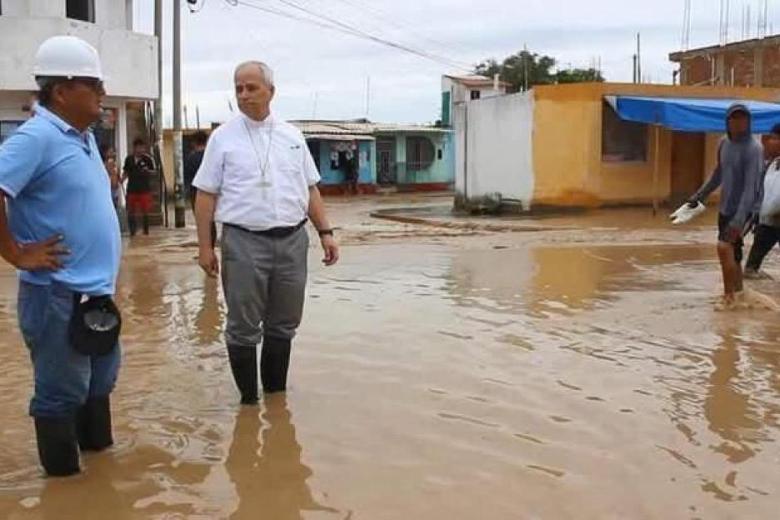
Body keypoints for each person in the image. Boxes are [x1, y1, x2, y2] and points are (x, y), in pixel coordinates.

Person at [0, 36, 122, 476]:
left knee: (99, 384)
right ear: (62, 90)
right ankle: (66, 491)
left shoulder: (84, 138)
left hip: (96, 294)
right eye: (94, 85)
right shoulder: (36, 137)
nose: (103, 94)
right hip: (55, 294)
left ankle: (101, 483)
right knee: (60, 394)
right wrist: (15, 253)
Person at [193, 61, 339, 404]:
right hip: (243, 242)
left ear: (271, 91)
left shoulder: (291, 136)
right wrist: (205, 247)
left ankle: (275, 398)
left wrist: (326, 232)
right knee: (243, 325)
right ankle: (248, 402)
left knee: (284, 323)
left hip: (292, 241)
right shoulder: (223, 138)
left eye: (251, 88)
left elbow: (311, 188)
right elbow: (205, 195)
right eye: (238, 88)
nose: (244, 95)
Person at [687, 104, 764, 304]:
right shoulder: (723, 143)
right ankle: (739, 296)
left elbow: (750, 189)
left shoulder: (754, 149)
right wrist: (699, 196)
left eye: (742, 119)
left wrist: (739, 222)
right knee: (735, 255)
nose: (738, 123)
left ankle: (728, 297)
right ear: (727, 122)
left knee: (723, 247)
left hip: (746, 211)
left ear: (748, 122)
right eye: (734, 119)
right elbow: (718, 174)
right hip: (725, 208)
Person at [745, 124, 780, 278]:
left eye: (773, 138)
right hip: (767, 224)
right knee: (750, 269)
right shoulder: (770, 166)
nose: (767, 143)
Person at [184, 131, 216, 245]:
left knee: (202, 220)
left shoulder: (191, 158)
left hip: (196, 192)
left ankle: (206, 247)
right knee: (211, 221)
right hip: (213, 191)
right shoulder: (212, 156)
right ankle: (211, 246)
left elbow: (187, 177)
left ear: (194, 142)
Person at [123, 137, 156, 236]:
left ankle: (146, 231)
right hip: (131, 189)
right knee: (130, 211)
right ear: (134, 148)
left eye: (142, 148)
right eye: (139, 148)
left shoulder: (148, 159)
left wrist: (148, 171)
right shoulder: (129, 159)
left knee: (145, 211)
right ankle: (132, 232)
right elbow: (126, 172)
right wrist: (121, 179)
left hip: (144, 189)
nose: (141, 150)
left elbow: (154, 172)